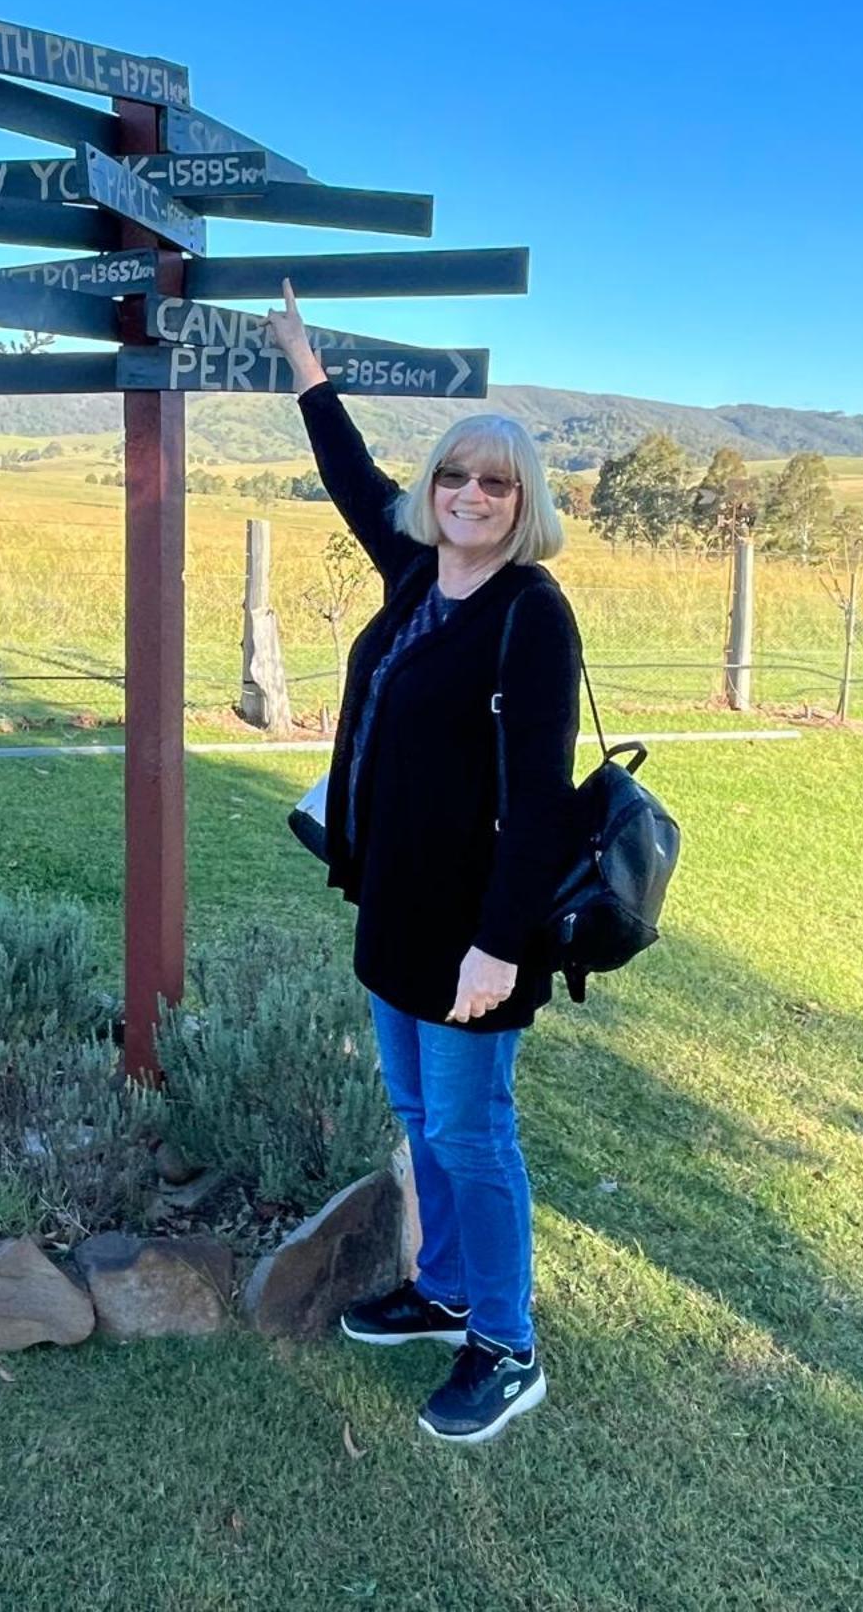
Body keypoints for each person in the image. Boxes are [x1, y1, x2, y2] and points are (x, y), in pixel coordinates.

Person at [266, 281, 582, 1445]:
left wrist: (500, 944)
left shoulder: (529, 614)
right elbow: (353, 476)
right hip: (395, 907)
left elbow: (542, 804)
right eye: (456, 476)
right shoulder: (415, 577)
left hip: (474, 931)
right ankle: (444, 1288)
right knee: (418, 1113)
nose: (470, 496)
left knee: (472, 1128)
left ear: (522, 501)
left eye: (495, 482)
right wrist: (303, 357)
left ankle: (506, 1342)